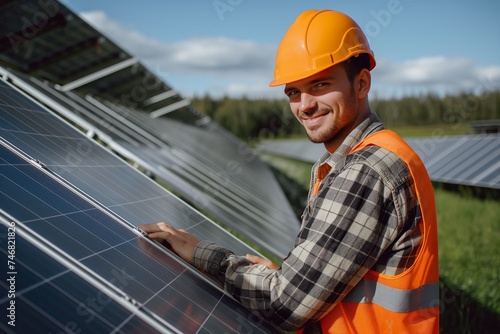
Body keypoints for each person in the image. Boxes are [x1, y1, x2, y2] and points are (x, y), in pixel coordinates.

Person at [140, 9, 439, 333]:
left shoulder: (364, 172)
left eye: (320, 84)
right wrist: (283, 277)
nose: (304, 105)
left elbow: (285, 305)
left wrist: (201, 253)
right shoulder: (377, 154)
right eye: (293, 92)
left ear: (362, 83)